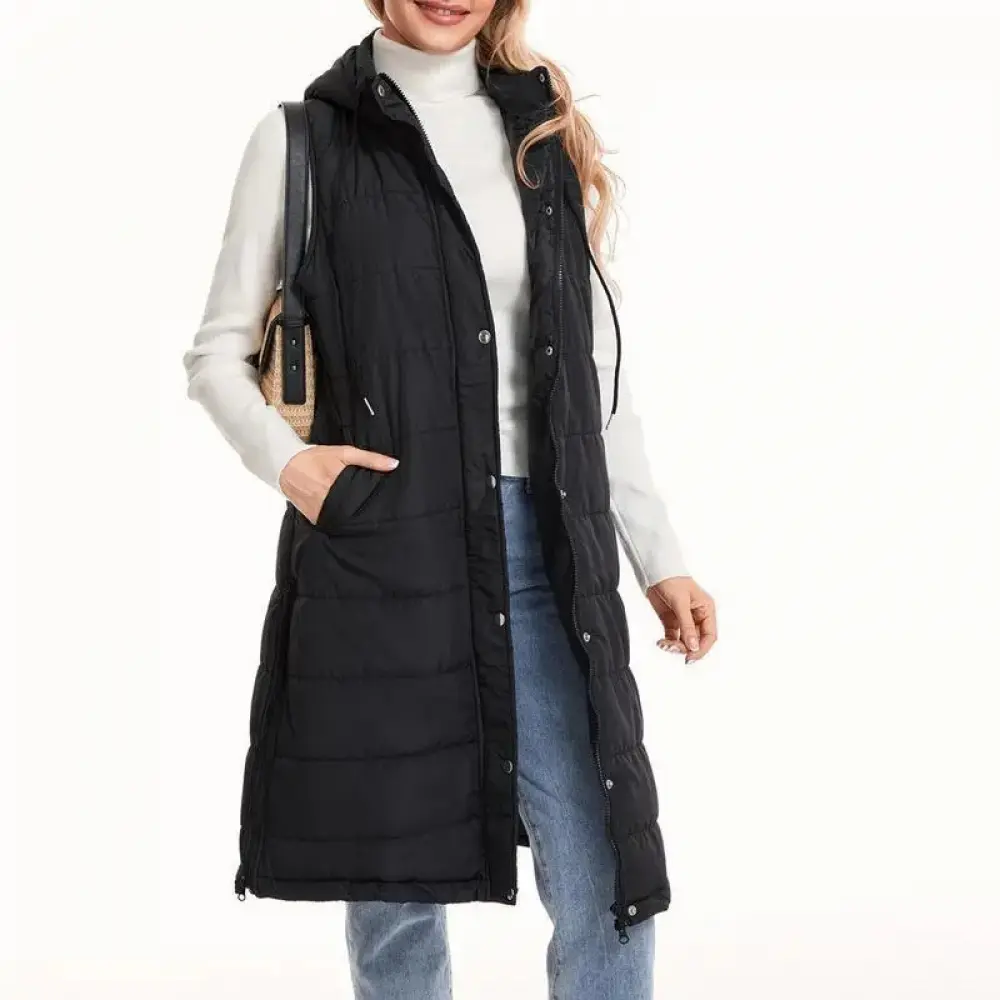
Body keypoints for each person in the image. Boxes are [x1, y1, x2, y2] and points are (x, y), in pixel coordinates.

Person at [182, 2, 717, 997]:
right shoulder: (303, 140)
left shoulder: (541, 132)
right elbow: (218, 352)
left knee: (607, 870)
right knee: (395, 883)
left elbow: (595, 377)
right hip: (385, 545)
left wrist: (660, 556)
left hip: (549, 547)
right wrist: (294, 467)